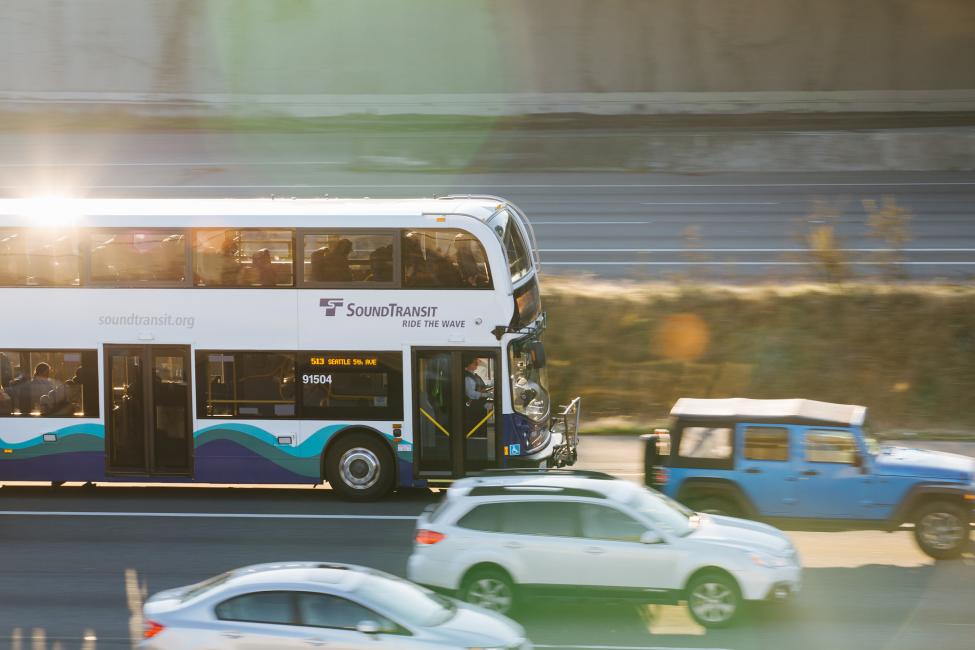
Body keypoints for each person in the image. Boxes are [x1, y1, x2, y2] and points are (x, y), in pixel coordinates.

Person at [463, 359, 493, 437]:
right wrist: (487, 395)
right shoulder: (467, 377)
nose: (476, 364)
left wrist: (491, 385)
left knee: (480, 427)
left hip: (478, 406)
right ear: (468, 364)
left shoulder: (474, 375)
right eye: (474, 362)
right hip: (473, 408)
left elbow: (481, 386)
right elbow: (471, 394)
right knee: (475, 428)